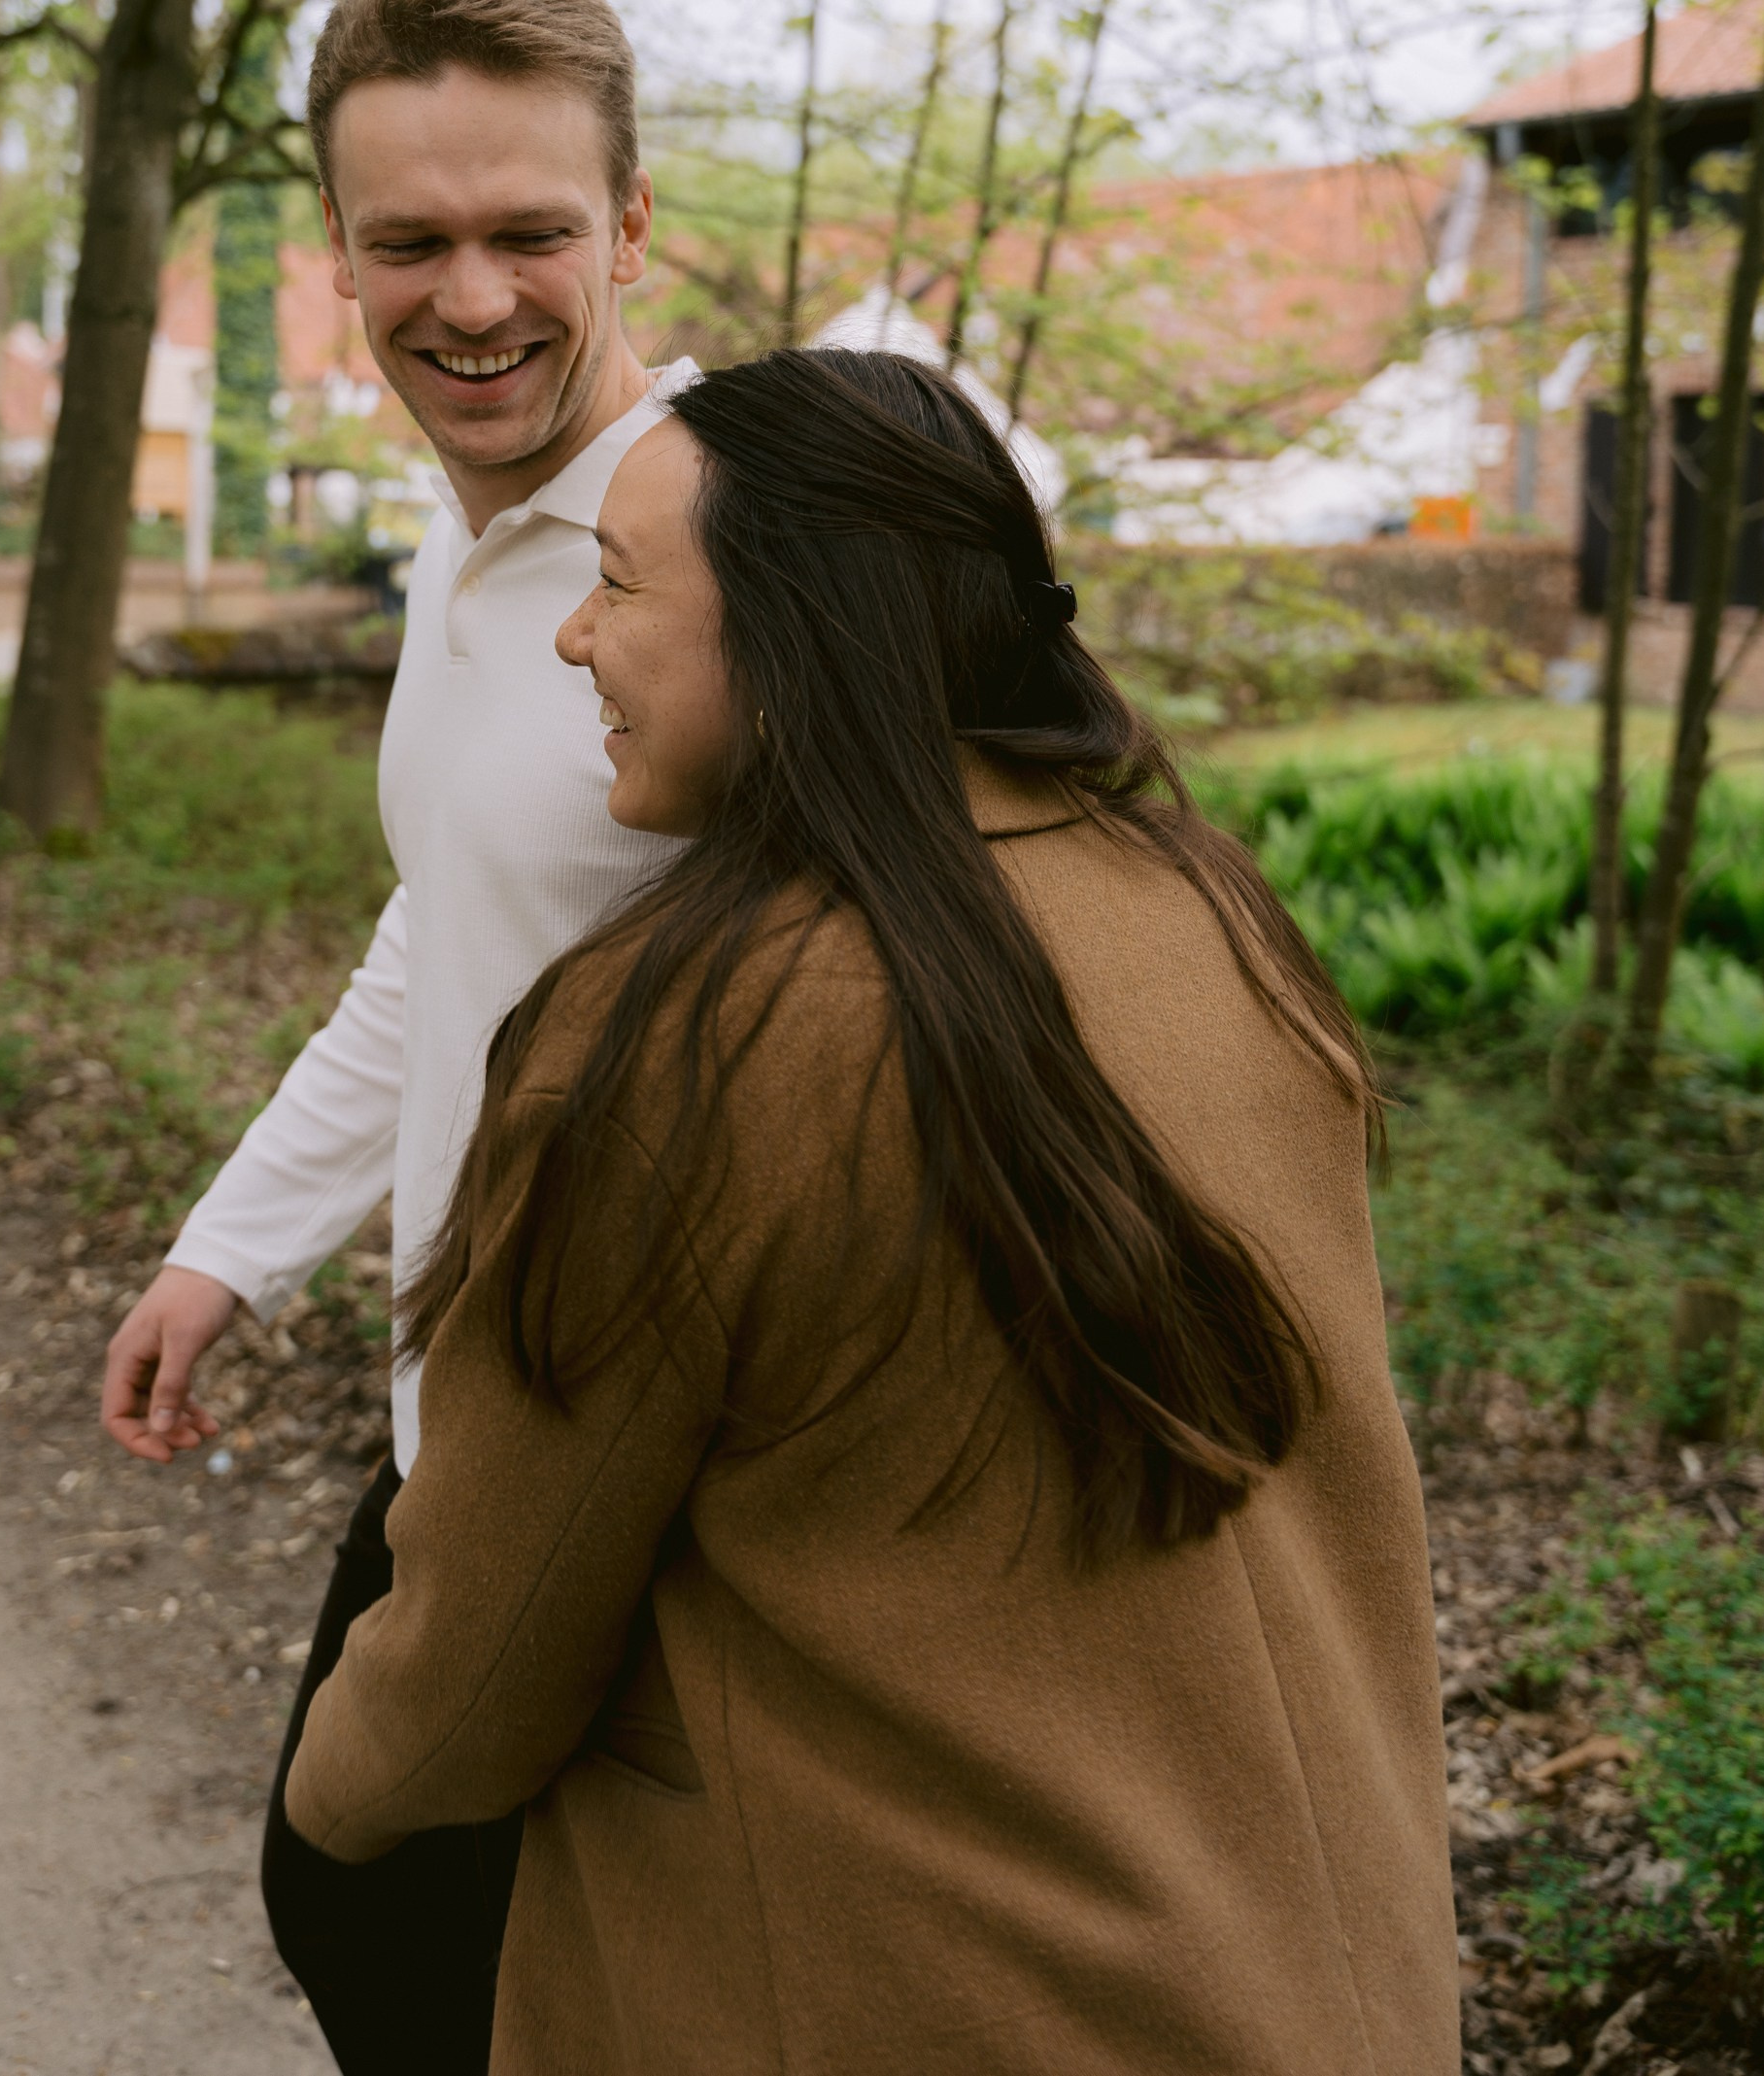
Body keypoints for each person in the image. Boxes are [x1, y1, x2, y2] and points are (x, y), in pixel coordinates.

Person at [285, 348, 1462, 2075]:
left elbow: (482, 1663)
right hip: (1318, 1978)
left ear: (796, 629)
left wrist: (325, 1797)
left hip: (908, 1996)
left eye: (616, 584)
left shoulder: (688, 1041)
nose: (572, 637)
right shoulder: (1213, 913)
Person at [97, 0, 695, 2073]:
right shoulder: (471, 551)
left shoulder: (742, 562)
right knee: (375, 1922)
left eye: (531, 231)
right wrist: (233, 1247)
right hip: (470, 1406)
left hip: (675, 1488)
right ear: (335, 263)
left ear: (630, 222)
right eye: (407, 242)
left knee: (419, 1932)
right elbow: (435, 926)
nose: (472, 298)